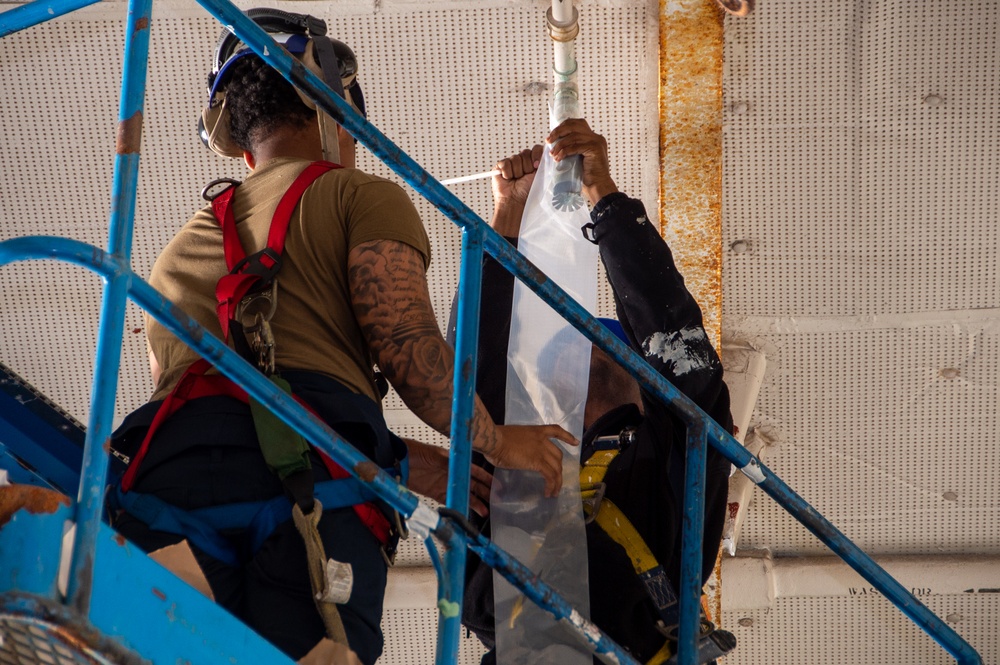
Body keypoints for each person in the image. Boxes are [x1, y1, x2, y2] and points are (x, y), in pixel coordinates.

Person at [106, 10, 572, 665]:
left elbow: (238, 409)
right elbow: (410, 356)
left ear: (245, 148)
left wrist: (434, 471)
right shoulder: (357, 195)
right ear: (332, 113)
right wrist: (502, 442)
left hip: (167, 488)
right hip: (310, 508)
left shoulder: (175, 252)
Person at [452, 118, 735, 663]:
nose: (586, 351)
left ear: (641, 377)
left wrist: (603, 196)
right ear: (542, 387)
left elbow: (675, 344)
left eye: (603, 346)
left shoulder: (673, 453)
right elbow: (467, 384)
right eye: (569, 349)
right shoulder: (520, 461)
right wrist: (508, 216)